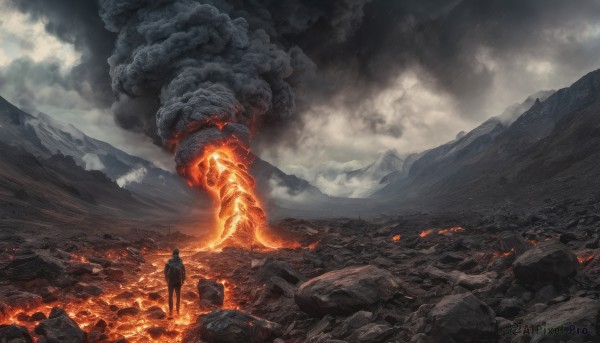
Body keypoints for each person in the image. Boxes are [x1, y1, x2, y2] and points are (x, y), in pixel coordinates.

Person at [164, 248, 186, 318]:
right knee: (178, 297)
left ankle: (171, 312)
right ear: (178, 254)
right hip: (178, 281)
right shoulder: (180, 261)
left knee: (170, 296)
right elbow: (184, 272)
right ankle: (177, 311)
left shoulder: (169, 261)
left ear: (173, 254)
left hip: (171, 281)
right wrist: (183, 280)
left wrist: (167, 279)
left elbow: (165, 271)